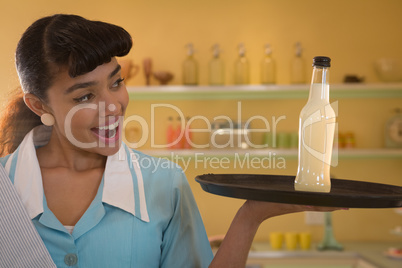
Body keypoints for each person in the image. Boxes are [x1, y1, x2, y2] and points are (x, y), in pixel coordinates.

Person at [0, 14, 342, 268]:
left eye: (116, 83)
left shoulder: (163, 184)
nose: (113, 107)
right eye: (85, 96)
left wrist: (251, 215)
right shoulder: (5, 188)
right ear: (39, 105)